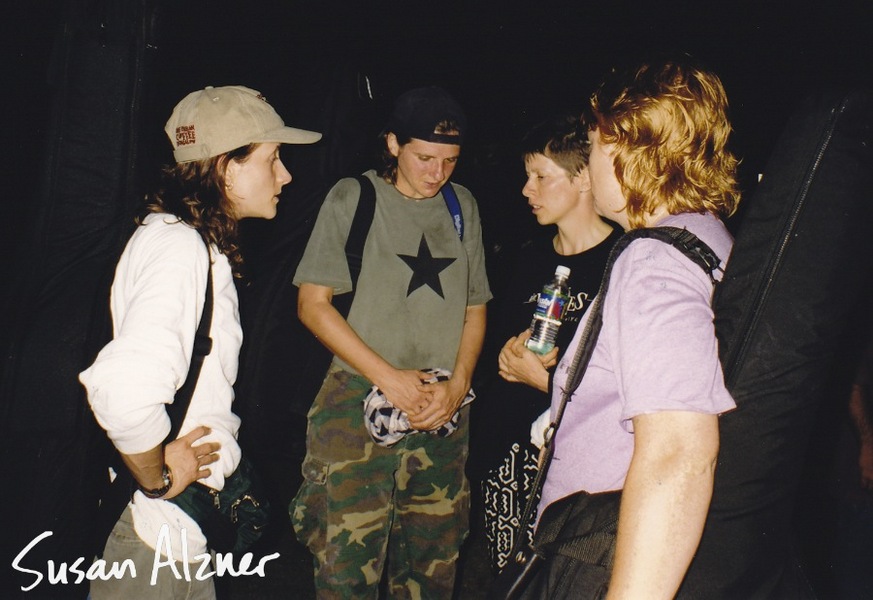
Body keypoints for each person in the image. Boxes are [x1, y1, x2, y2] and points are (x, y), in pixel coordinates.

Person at [79, 85, 321, 598]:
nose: (286, 175)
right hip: (155, 538)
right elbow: (121, 390)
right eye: (273, 158)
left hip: (179, 536)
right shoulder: (179, 247)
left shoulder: (183, 240)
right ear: (226, 168)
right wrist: (158, 478)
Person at [537, 57, 741, 598]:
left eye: (595, 143)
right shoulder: (707, 237)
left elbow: (679, 449)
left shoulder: (653, 260)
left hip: (602, 553)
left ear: (627, 148)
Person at [291, 86, 491, 598]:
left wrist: (458, 386)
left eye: (450, 161)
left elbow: (474, 307)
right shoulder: (352, 197)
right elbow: (312, 305)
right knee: (346, 566)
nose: (437, 173)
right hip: (357, 400)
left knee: (432, 565)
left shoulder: (460, 205)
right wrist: (389, 380)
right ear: (393, 144)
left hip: (441, 407)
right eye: (424, 157)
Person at [467, 114, 619, 571]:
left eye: (541, 177)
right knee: (507, 578)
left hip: (575, 470)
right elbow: (496, 349)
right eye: (526, 176)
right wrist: (506, 355)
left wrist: (547, 380)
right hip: (507, 459)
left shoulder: (622, 262)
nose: (526, 190)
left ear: (584, 180)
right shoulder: (531, 255)